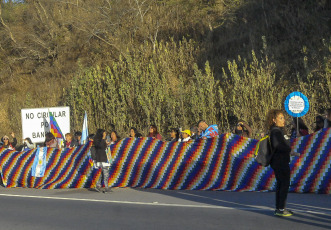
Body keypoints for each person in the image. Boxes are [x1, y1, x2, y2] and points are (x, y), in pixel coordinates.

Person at [266, 109, 294, 217]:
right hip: (280, 161)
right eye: (281, 118)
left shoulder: (277, 130)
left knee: (281, 184)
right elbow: (277, 145)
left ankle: (279, 208)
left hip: (279, 161)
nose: (284, 120)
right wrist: (289, 150)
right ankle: (281, 209)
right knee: (284, 184)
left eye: (283, 118)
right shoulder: (275, 131)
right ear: (274, 120)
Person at [93, 129, 111, 193]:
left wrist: (107, 144)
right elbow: (100, 146)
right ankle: (106, 187)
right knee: (105, 173)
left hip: (104, 158)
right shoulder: (97, 140)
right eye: (104, 133)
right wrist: (103, 139)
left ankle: (98, 185)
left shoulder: (102, 141)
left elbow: (105, 147)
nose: (105, 135)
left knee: (102, 173)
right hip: (101, 158)